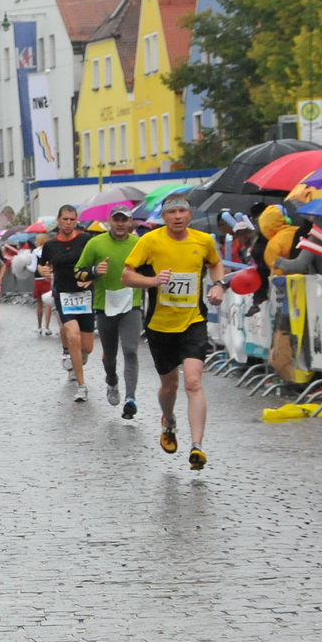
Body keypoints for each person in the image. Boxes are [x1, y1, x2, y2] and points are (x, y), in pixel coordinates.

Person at [121, 193, 225, 469]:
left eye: (182, 211)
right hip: (160, 325)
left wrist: (219, 284)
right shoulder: (150, 241)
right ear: (163, 217)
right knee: (170, 386)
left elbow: (215, 263)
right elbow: (126, 275)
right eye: (171, 212)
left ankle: (197, 447)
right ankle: (168, 420)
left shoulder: (203, 241)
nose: (177, 216)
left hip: (193, 321)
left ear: (190, 215)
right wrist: (152, 281)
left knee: (193, 382)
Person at [79, 207, 144, 417]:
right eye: (116, 219)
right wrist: (94, 271)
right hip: (104, 305)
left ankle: (130, 398)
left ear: (130, 222)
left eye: (124, 220)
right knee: (110, 354)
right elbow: (78, 273)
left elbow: (150, 268)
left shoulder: (139, 244)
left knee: (131, 350)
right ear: (110, 221)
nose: (120, 224)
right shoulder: (95, 243)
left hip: (131, 304)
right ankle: (112, 380)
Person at [39, 206, 94, 402]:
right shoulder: (51, 245)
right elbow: (43, 264)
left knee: (86, 347)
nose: (68, 223)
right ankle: (81, 385)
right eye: (65, 219)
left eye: (72, 219)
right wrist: (44, 271)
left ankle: (78, 357)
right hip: (64, 295)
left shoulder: (86, 240)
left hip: (85, 294)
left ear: (76, 220)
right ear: (59, 220)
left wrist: (92, 277)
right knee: (73, 336)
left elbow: (95, 262)